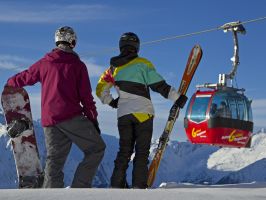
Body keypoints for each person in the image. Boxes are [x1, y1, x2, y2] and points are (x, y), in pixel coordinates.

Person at [6, 26, 106, 188]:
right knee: (97, 149)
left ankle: (51, 195)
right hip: (71, 116)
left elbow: (26, 76)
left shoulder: (45, 63)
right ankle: (79, 190)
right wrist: (93, 119)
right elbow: (86, 97)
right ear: (72, 42)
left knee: (54, 160)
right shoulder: (78, 65)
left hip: (49, 120)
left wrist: (10, 82)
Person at [96, 32, 187, 189]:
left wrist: (111, 102)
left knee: (124, 152)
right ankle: (139, 188)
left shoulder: (112, 69)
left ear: (121, 46)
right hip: (143, 114)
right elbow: (159, 85)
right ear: (137, 47)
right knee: (142, 153)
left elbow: (100, 89)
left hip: (123, 115)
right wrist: (177, 98)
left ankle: (116, 187)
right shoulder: (143, 64)